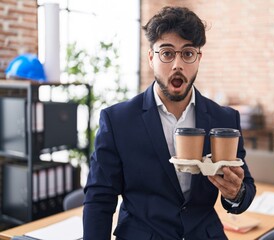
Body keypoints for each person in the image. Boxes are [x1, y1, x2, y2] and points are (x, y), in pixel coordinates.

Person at [83, 6, 256, 240]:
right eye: (167, 53)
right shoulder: (117, 121)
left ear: (198, 58)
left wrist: (236, 193)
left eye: (187, 53)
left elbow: (245, 190)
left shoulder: (225, 119)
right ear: (152, 57)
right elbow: (99, 198)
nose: (177, 64)